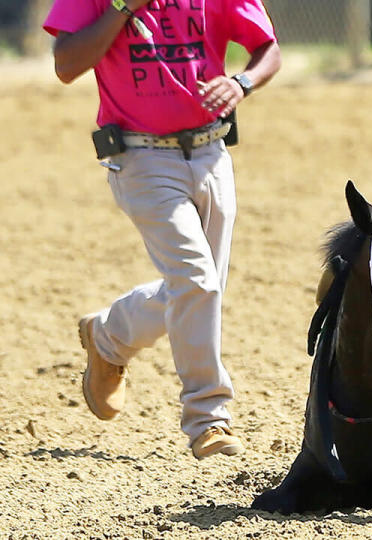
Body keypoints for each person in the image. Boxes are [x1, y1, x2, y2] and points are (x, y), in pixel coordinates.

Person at [43, 0, 281, 459]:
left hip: (213, 156)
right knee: (197, 283)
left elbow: (267, 49)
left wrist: (240, 82)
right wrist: (120, 8)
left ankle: (107, 337)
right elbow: (66, 65)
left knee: (197, 292)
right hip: (141, 159)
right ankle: (209, 418)